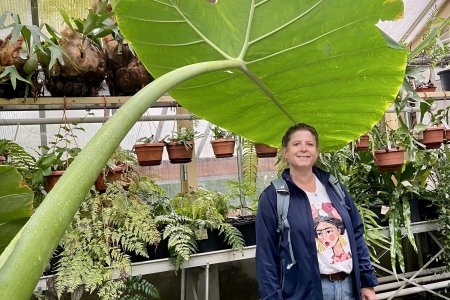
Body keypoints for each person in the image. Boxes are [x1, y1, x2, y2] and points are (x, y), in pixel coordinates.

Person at [256, 123, 377, 300]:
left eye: (310, 144)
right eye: (296, 144)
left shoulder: (334, 187)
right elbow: (266, 256)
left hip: (349, 288)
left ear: (317, 151)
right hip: (306, 293)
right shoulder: (274, 197)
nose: (303, 149)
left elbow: (357, 234)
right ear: (285, 152)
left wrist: (367, 282)